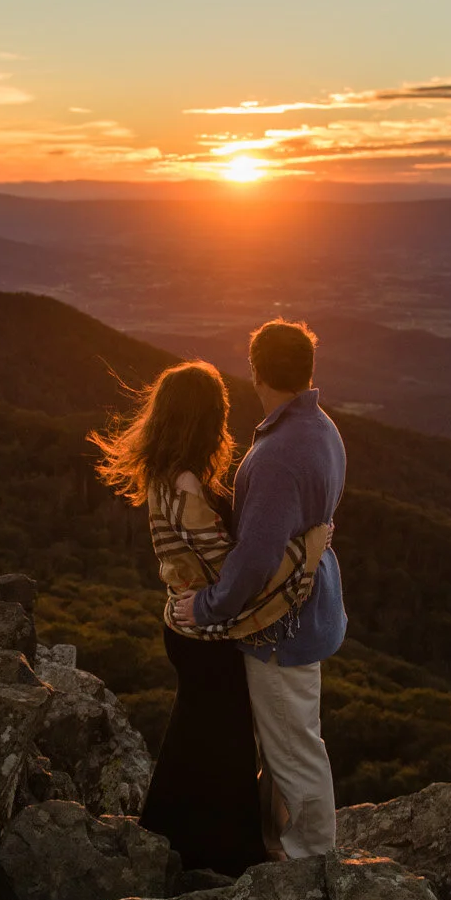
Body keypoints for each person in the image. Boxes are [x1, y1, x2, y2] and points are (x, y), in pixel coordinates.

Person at [173, 320, 346, 860]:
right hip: (308, 608)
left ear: (256, 371)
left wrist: (207, 607)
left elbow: (254, 558)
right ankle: (281, 845)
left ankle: (311, 862)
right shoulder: (321, 428)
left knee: (293, 750)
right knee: (288, 743)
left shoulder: (277, 454)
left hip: (279, 627)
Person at [88, 360, 269, 874]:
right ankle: (228, 855)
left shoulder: (162, 474)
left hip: (181, 625)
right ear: (206, 419)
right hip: (208, 630)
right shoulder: (189, 481)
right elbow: (224, 562)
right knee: (228, 739)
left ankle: (171, 837)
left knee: (196, 732)